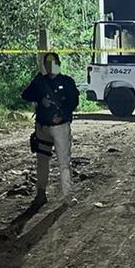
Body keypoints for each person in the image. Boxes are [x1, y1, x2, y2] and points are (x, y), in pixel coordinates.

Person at [22, 52, 79, 206]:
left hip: (60, 126)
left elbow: (74, 102)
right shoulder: (40, 81)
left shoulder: (67, 82)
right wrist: (41, 99)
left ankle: (68, 195)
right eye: (47, 63)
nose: (50, 66)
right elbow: (25, 95)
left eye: (52, 63)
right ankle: (40, 194)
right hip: (43, 126)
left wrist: (63, 116)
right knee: (42, 161)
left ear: (58, 64)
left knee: (64, 162)